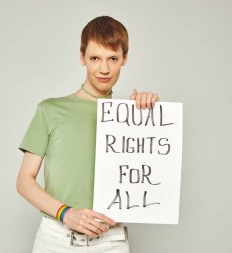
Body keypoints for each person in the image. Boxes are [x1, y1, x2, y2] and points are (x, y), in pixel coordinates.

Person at [16, 15, 159, 252]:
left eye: (112, 58)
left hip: (111, 241)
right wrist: (66, 213)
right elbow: (23, 181)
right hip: (57, 239)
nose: (104, 69)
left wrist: (149, 115)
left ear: (124, 59)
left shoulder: (131, 118)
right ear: (82, 57)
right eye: (95, 58)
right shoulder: (50, 110)